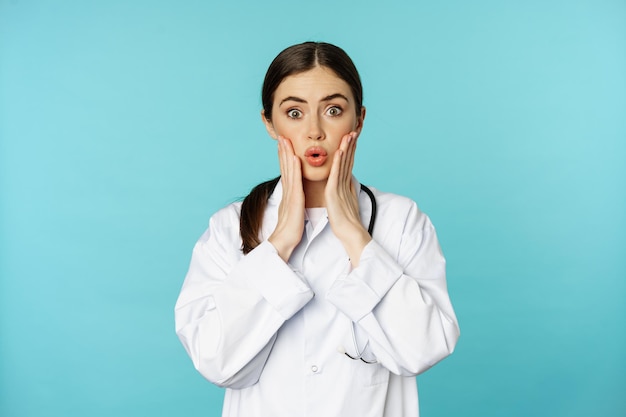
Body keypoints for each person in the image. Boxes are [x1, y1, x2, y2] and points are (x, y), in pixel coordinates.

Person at [175, 41, 460, 417]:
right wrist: (280, 243)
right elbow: (216, 361)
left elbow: (424, 349)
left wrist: (355, 237)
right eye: (294, 112)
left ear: (358, 119)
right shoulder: (230, 226)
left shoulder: (401, 220)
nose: (314, 131)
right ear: (269, 122)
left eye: (333, 110)